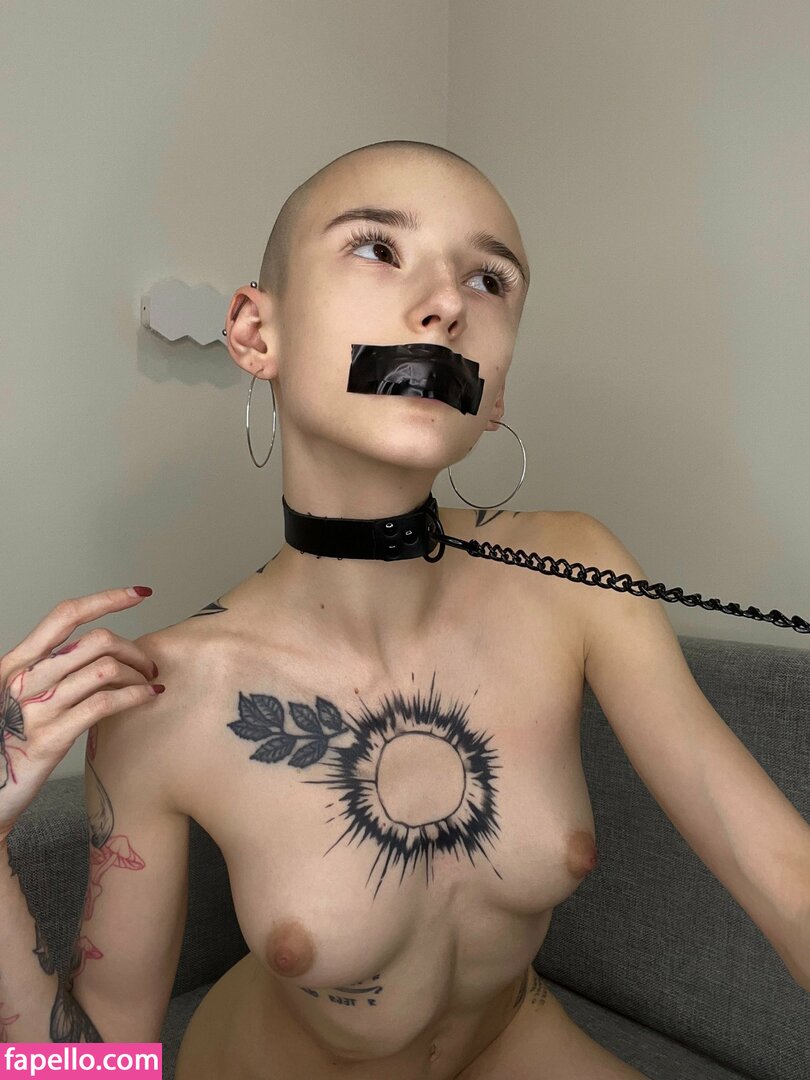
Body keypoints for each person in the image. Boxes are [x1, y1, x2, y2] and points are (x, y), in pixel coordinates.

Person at [2, 140, 808, 1080]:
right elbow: (95, 1065)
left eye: (489, 279)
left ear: (494, 389)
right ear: (256, 333)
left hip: (513, 1040)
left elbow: (784, 874)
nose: (447, 306)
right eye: (377, 248)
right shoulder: (164, 698)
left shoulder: (579, 574)